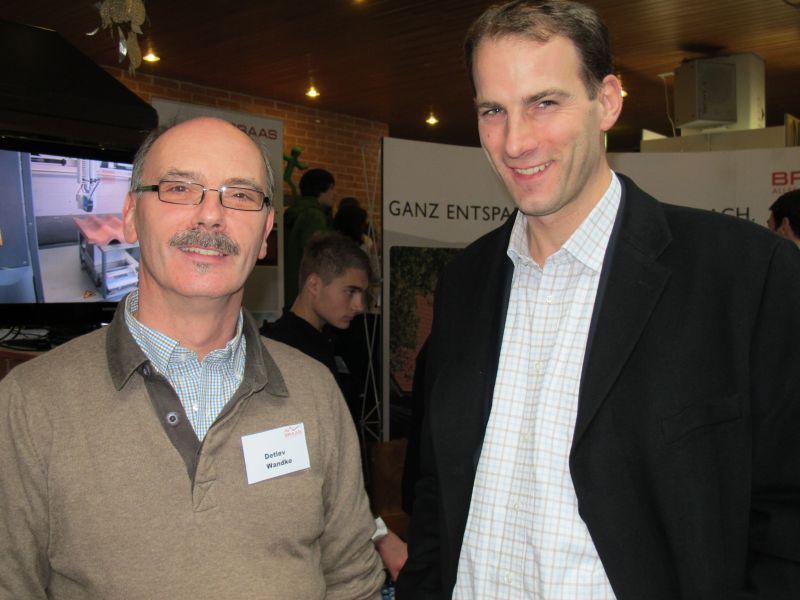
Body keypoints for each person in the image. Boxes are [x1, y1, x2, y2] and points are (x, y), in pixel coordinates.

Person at [397, 1, 800, 598]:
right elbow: (437, 489)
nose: (515, 141)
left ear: (607, 101)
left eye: (544, 102)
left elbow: (786, 517)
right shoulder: (467, 281)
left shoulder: (745, 275)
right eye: (493, 110)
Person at [0, 117, 384, 599]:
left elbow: (352, 580)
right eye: (180, 188)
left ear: (266, 231)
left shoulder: (315, 391)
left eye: (239, 195)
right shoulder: (31, 403)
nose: (210, 215)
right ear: (131, 214)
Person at [264, 231, 408, 583]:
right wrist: (376, 532)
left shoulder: (333, 345)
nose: (358, 306)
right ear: (314, 284)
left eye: (362, 294)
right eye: (350, 292)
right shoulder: (279, 352)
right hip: (301, 539)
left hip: (339, 528)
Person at [283, 167, 336, 308]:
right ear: (321, 189)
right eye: (331, 188)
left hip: (289, 287)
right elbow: (317, 258)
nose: (334, 194)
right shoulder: (315, 216)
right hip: (307, 291)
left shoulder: (293, 212)